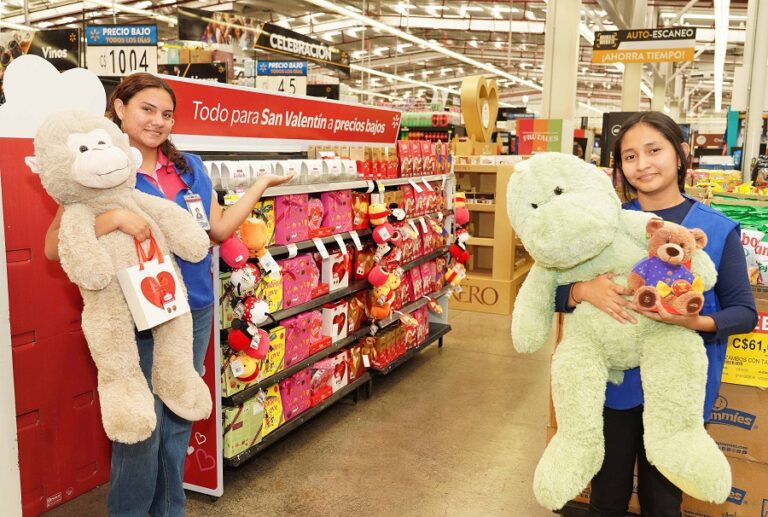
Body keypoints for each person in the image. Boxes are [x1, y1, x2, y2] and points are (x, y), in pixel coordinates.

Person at [44, 72, 291, 516]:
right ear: (120, 109)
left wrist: (258, 188)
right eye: (147, 110)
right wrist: (116, 218)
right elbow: (53, 245)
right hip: (133, 314)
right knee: (140, 429)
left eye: (167, 114)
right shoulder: (101, 164)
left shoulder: (188, 167)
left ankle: (170, 511)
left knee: (177, 424)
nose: (158, 122)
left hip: (191, 308)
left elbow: (214, 231)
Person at [553, 111, 757, 517]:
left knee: (662, 499)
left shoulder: (715, 230)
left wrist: (693, 322)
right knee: (607, 493)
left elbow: (744, 313)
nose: (642, 164)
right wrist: (580, 290)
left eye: (654, 150)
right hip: (613, 385)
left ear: (681, 155)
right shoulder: (606, 225)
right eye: (629, 156)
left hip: (676, 391)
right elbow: (551, 292)